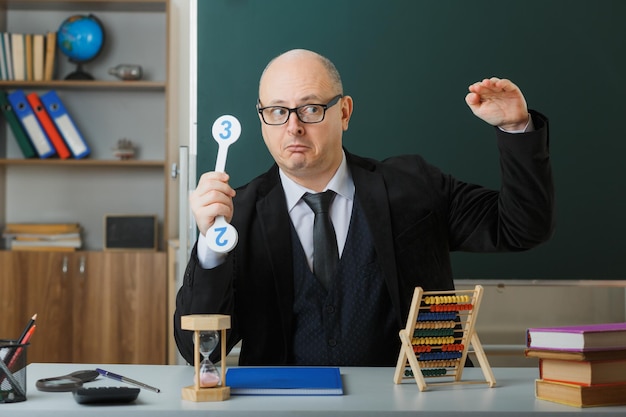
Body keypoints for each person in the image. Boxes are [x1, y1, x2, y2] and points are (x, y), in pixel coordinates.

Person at [174, 49, 554, 367]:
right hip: (283, 404)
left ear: (344, 112)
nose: (293, 127)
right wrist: (210, 248)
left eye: (310, 109)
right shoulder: (238, 217)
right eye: (277, 111)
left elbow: (522, 227)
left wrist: (515, 128)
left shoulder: (415, 187)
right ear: (262, 119)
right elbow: (197, 352)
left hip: (413, 403)